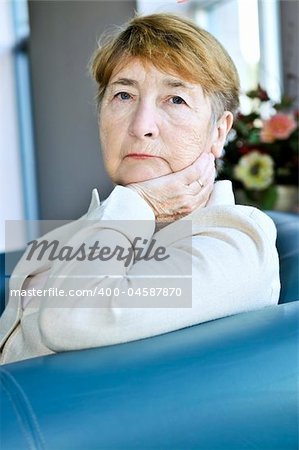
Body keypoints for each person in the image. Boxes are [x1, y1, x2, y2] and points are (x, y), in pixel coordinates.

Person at [0, 13, 280, 365]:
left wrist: (139, 202)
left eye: (175, 100)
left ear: (219, 131)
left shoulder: (236, 245)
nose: (141, 126)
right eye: (123, 95)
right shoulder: (102, 219)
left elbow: (69, 320)